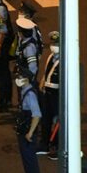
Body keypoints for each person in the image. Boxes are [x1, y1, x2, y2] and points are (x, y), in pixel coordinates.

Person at [14, 68, 42, 173]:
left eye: (20, 77)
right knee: (27, 161)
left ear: (26, 79)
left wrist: (30, 133)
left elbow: (36, 115)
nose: (17, 79)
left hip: (27, 133)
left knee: (30, 161)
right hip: (24, 131)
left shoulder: (29, 94)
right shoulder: (25, 92)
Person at [39, 31, 60, 159]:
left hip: (57, 94)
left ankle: (55, 146)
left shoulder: (65, 60)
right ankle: (44, 143)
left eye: (56, 43)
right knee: (45, 119)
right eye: (53, 43)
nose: (53, 46)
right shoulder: (51, 56)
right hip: (47, 92)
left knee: (58, 120)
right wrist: (42, 82)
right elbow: (46, 72)